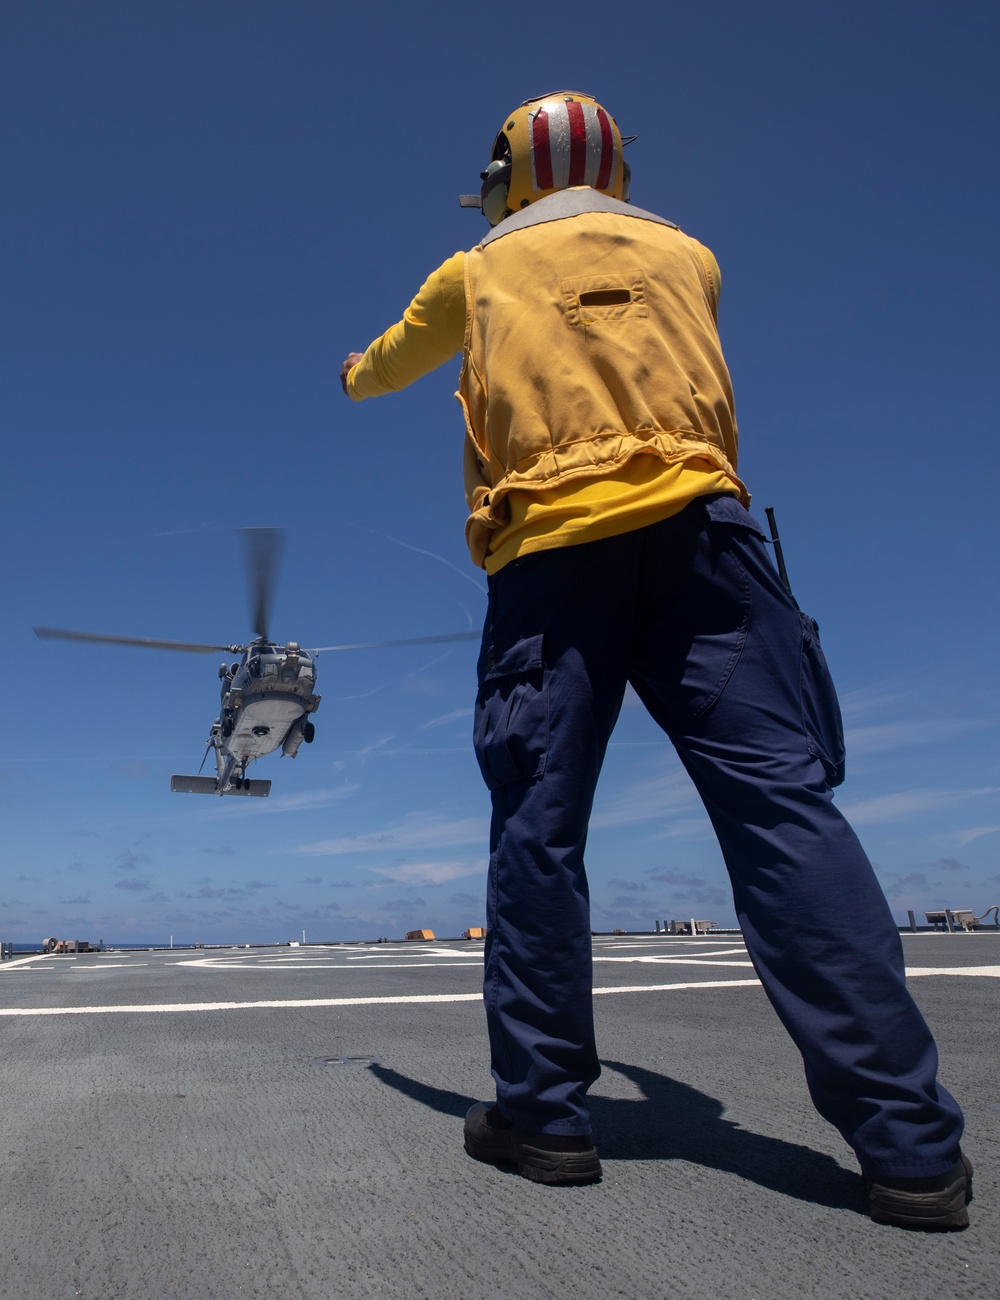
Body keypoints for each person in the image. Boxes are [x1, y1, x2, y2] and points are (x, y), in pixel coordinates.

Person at [341, 92, 971, 1228]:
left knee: (540, 833)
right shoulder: (692, 253)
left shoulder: (471, 271)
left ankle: (542, 1117)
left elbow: (385, 367)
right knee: (786, 814)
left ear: (503, 178)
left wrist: (354, 369)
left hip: (551, 565)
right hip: (710, 558)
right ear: (614, 170)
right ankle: (911, 1148)